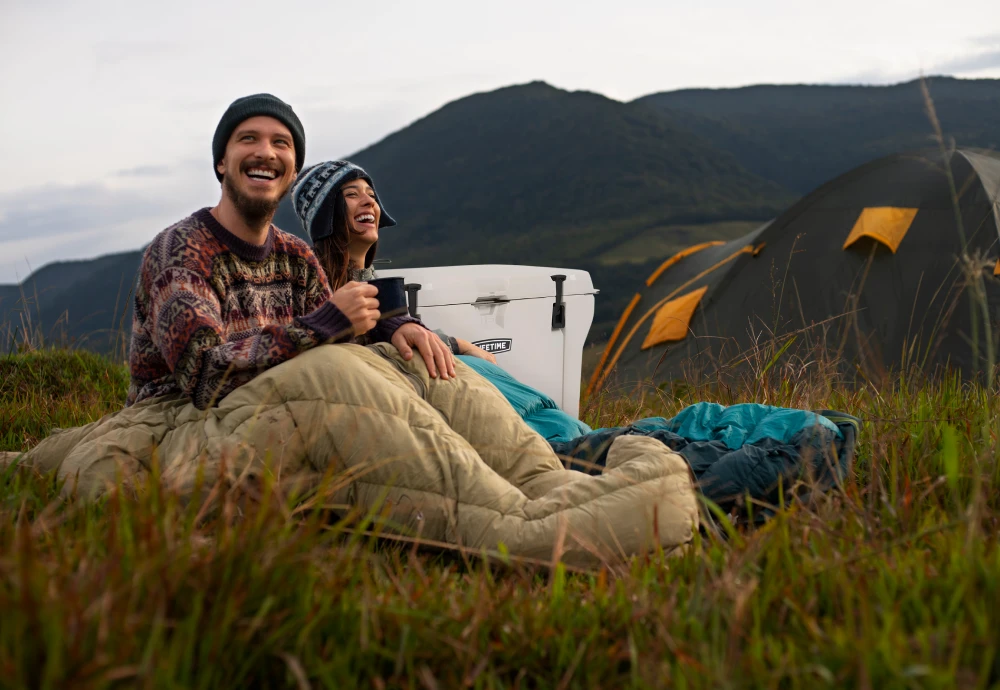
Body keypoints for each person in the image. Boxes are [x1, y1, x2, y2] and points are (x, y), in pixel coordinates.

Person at [127, 94, 454, 412]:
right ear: (221, 162)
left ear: (293, 171)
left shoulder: (297, 258)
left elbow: (346, 355)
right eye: (248, 138)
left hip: (279, 407)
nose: (265, 152)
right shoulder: (181, 250)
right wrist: (322, 324)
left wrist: (395, 326)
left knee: (446, 391)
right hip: (176, 421)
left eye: (281, 143)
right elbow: (203, 379)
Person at [290, 159, 497, 364]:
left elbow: (403, 334)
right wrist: (460, 346)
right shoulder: (304, 283)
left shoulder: (371, 281)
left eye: (371, 195)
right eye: (352, 194)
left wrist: (458, 345)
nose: (370, 202)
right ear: (325, 216)